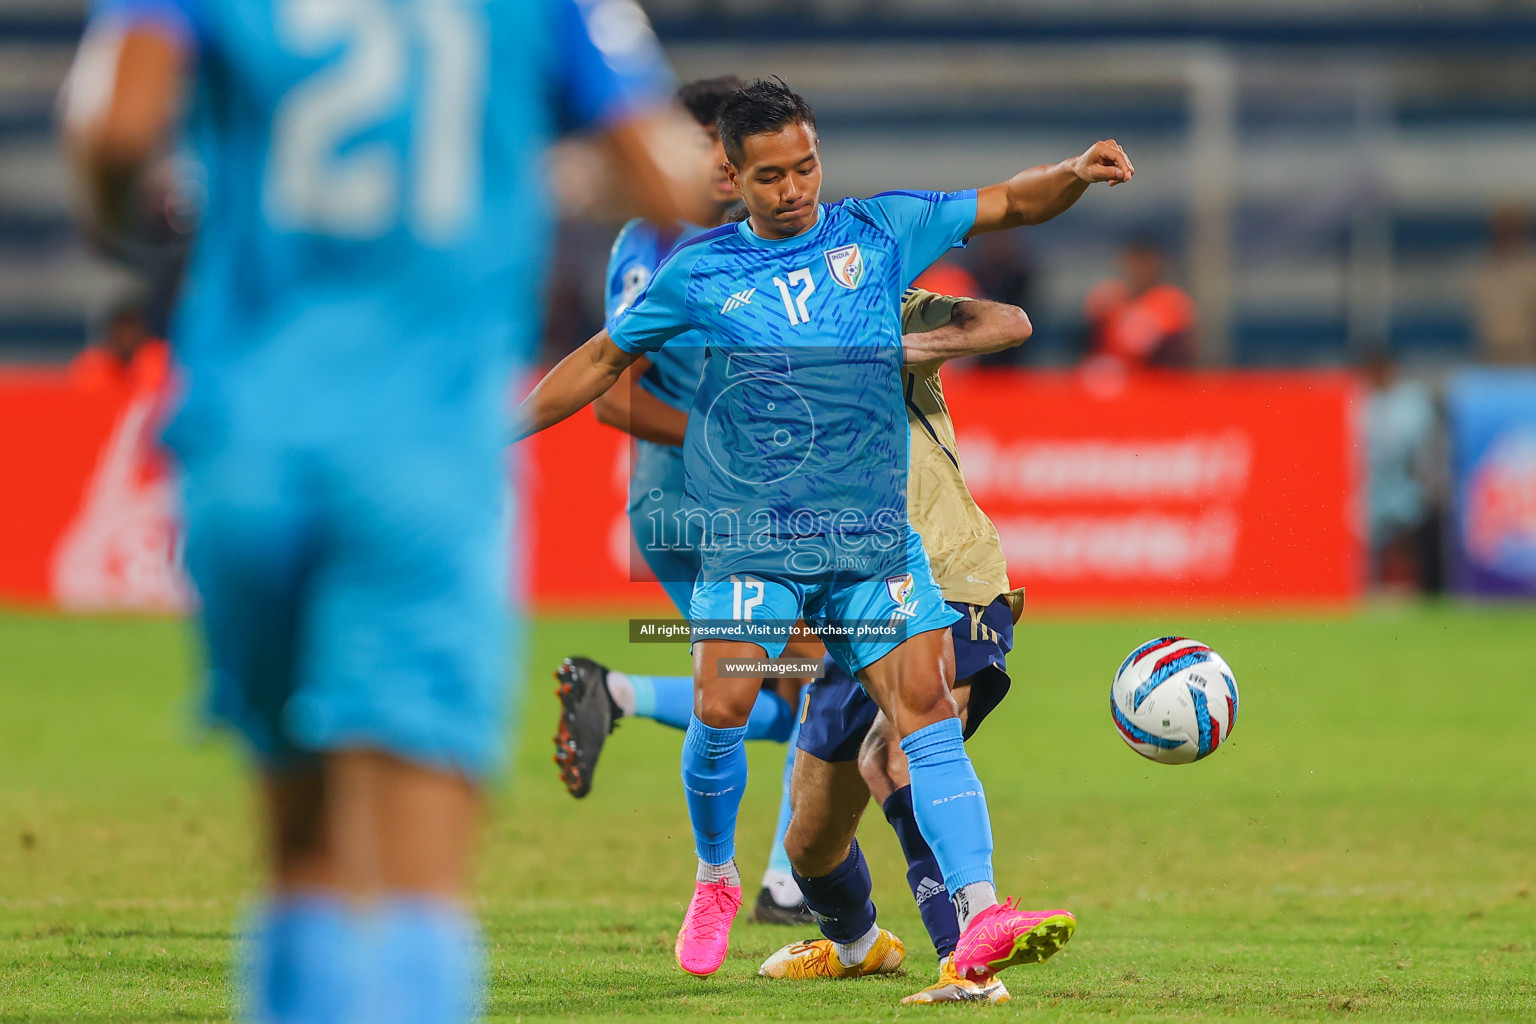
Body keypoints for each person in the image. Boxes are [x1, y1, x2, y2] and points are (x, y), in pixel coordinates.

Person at [62, 2, 704, 1021]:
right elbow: (670, 176)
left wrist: (119, 217)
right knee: (417, 876)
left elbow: (113, 130)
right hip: (422, 454)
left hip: (245, 440)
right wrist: (538, 173)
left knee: (300, 846)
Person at [512, 78, 1133, 985]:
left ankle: (984, 909)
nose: (795, 188)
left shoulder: (878, 231)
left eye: (806, 167)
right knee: (725, 705)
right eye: (772, 176)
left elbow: (1008, 200)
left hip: (871, 538)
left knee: (922, 712)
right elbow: (604, 361)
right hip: (755, 534)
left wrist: (1074, 174)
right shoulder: (699, 272)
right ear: (733, 173)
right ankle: (717, 877)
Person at [552, 73, 818, 926]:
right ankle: (783, 881)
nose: (718, 162)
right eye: (709, 144)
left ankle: (618, 694)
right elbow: (615, 395)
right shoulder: (675, 245)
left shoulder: (679, 240)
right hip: (706, 504)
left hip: (673, 507)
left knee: (765, 689)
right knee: (829, 673)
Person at [754, 286, 1031, 1004]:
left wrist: (893, 352)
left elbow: (1010, 320)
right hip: (854, 609)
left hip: (949, 577)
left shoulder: (872, 300)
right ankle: (857, 945)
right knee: (809, 843)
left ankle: (969, 959)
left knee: (896, 751)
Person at [1083, 237, 1197, 369]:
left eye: (1144, 264)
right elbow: (1092, 348)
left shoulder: (1172, 301)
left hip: (1157, 378)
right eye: (1134, 263)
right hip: (1113, 377)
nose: (1139, 270)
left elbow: (1179, 354)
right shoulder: (1108, 299)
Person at [1468, 205, 1536, 366]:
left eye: (1512, 230)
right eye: (1502, 230)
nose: (1507, 236)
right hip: (1491, 353)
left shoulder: (1531, 271)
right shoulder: (1483, 272)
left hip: (1526, 354)